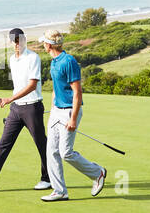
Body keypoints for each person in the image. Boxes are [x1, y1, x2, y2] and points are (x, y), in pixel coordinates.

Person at [0, 28, 52, 192]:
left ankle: (47, 179)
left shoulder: (33, 58)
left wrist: (10, 99)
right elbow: (19, 86)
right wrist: (11, 99)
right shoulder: (12, 60)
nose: (16, 44)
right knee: (4, 144)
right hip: (16, 109)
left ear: (24, 40)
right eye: (14, 41)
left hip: (32, 106)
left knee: (41, 144)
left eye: (19, 40)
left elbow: (32, 85)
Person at [39, 30, 105, 202]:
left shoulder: (68, 61)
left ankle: (97, 173)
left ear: (49, 44)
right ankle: (59, 191)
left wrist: (73, 118)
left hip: (69, 110)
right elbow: (56, 87)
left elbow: (77, 92)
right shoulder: (54, 62)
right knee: (51, 152)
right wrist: (53, 108)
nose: (42, 45)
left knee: (65, 152)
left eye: (44, 43)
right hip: (56, 111)